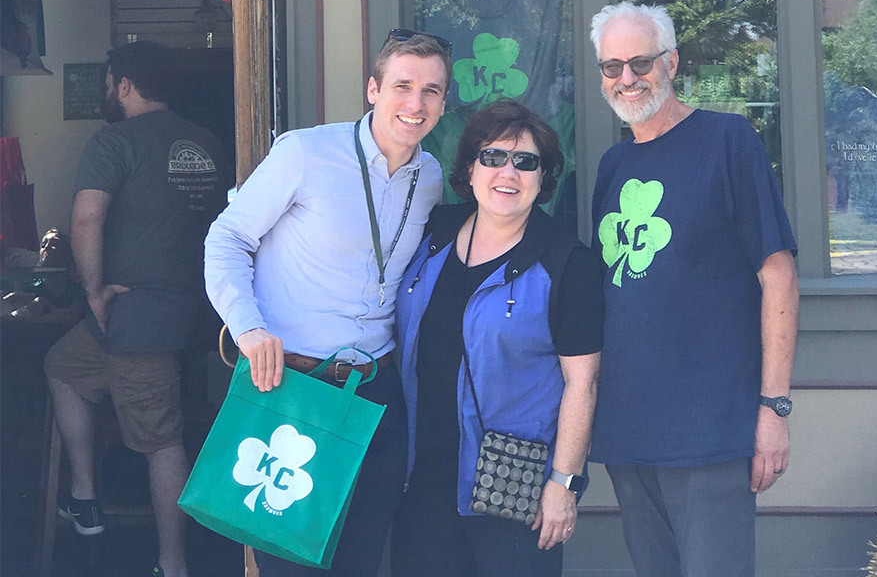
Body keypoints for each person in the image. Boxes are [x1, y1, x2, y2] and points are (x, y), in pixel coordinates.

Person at [203, 30, 449, 576]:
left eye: (431, 91)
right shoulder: (305, 152)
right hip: (293, 387)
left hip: (376, 394)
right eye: (402, 86)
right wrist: (247, 328)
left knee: (360, 561)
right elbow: (226, 239)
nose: (415, 103)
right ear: (372, 89)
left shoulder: (428, 177)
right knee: (290, 563)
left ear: (443, 103)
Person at [588, 2, 799, 577]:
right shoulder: (612, 166)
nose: (626, 79)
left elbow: (777, 274)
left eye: (639, 62)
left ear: (671, 61)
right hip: (627, 428)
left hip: (710, 430)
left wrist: (773, 406)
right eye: (611, 67)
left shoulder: (728, 141)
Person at [391, 99, 604, 577]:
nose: (508, 172)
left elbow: (582, 384)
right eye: (493, 157)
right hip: (419, 475)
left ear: (543, 178)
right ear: (469, 168)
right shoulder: (434, 234)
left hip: (511, 484)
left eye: (526, 162)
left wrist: (563, 484)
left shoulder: (568, 263)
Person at [43, 41, 227, 577]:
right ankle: (84, 497)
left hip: (136, 318)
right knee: (62, 365)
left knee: (161, 442)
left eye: (109, 82)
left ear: (124, 84)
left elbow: (85, 219)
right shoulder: (210, 143)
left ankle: (173, 565)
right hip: (196, 316)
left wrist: (94, 291)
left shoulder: (113, 141)